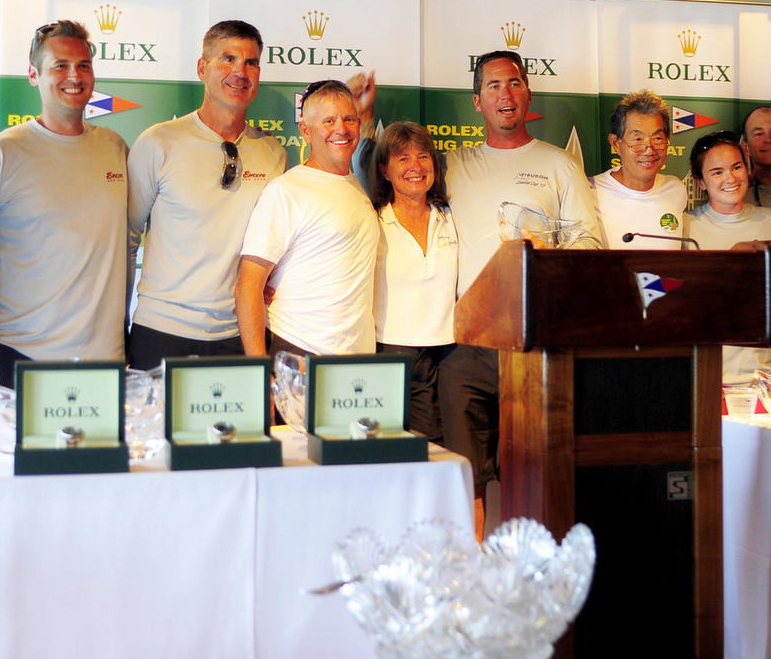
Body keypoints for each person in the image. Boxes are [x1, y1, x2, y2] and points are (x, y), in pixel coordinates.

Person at [442, 50, 602, 538]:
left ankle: (532, 584)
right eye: (492, 86)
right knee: (464, 477)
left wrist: (546, 256)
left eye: (513, 83)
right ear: (476, 101)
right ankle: (471, 583)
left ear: (528, 93)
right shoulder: (452, 164)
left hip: (535, 343)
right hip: (466, 344)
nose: (504, 94)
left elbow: (591, 244)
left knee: (531, 471)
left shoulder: (558, 165)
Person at [126, 20, 286, 370]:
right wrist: (114, 331)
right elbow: (126, 239)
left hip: (239, 335)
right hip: (162, 333)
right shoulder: (158, 142)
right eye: (227, 59)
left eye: (251, 62)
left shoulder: (273, 153)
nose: (239, 72)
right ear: (202, 68)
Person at [0, 20, 128, 387]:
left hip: (105, 365)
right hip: (20, 362)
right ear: (33, 74)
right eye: (59, 66)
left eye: (83, 65)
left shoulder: (115, 148)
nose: (74, 76)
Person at [235, 80, 379, 358]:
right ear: (305, 130)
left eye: (349, 119)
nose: (341, 128)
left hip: (357, 358)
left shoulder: (356, 186)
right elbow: (248, 286)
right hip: (299, 353)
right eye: (328, 121)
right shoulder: (286, 191)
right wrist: (260, 373)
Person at [370, 122, 457, 442]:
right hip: (390, 354)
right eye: (403, 159)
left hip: (448, 356)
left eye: (423, 156)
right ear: (384, 170)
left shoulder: (450, 215)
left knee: (438, 454)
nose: (416, 166)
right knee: (390, 454)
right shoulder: (373, 220)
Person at [682, 131, 771, 383]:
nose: (730, 178)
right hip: (709, 376)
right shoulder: (686, 226)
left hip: (765, 376)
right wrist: (730, 261)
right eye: (717, 172)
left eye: (736, 167)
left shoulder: (770, 220)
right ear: (700, 181)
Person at [591, 89, 687, 249]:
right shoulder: (590, 192)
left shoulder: (676, 189)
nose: (649, 149)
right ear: (615, 143)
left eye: (657, 138)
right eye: (637, 139)